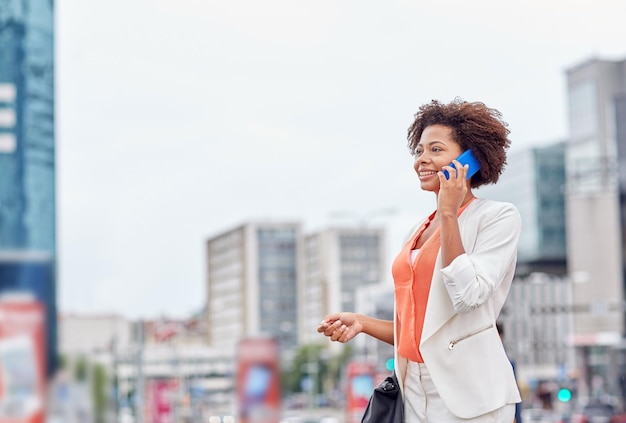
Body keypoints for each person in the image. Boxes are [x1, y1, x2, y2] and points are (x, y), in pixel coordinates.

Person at [317, 98, 522, 422]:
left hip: (471, 395)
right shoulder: (418, 230)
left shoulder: (497, 217)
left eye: (436, 150)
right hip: (413, 391)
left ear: (470, 160)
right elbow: (421, 331)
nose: (422, 160)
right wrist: (362, 322)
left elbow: (468, 296)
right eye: (419, 151)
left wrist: (449, 211)